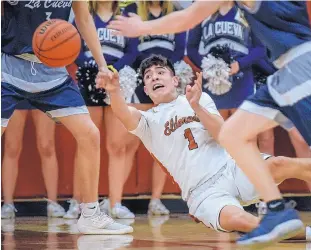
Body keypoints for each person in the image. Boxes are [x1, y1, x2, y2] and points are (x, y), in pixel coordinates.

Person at [107, 0, 311, 244]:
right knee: (235, 137)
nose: (154, 78)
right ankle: (282, 211)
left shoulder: (196, 99)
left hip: (299, 70)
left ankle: (285, 204)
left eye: (160, 72)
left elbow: (189, 16)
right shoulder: (148, 117)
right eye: (149, 76)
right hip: (282, 78)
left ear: (175, 79)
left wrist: (141, 27)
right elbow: (122, 112)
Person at [1, 1, 131, 234]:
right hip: (9, 66)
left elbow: (83, 18)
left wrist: (102, 65)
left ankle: (90, 214)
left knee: (90, 134)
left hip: (51, 70)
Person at [64, 0, 139, 220]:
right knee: (86, 142)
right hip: (90, 79)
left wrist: (112, 69)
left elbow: (132, 50)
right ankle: (78, 203)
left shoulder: (126, 13)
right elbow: (73, 46)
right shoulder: (83, 12)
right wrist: (94, 68)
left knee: (117, 146)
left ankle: (115, 203)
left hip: (116, 80)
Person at [123, 0, 187, 215]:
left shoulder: (176, 11)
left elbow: (179, 50)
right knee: (128, 143)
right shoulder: (133, 10)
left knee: (164, 144)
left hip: (165, 83)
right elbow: (131, 48)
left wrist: (163, 73)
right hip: (141, 80)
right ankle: (116, 201)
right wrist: (149, 71)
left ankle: (156, 200)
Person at [1, 105, 65, 219]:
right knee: (11, 147)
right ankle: (7, 204)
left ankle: (53, 203)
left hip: (44, 90)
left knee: (47, 146)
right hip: (16, 90)